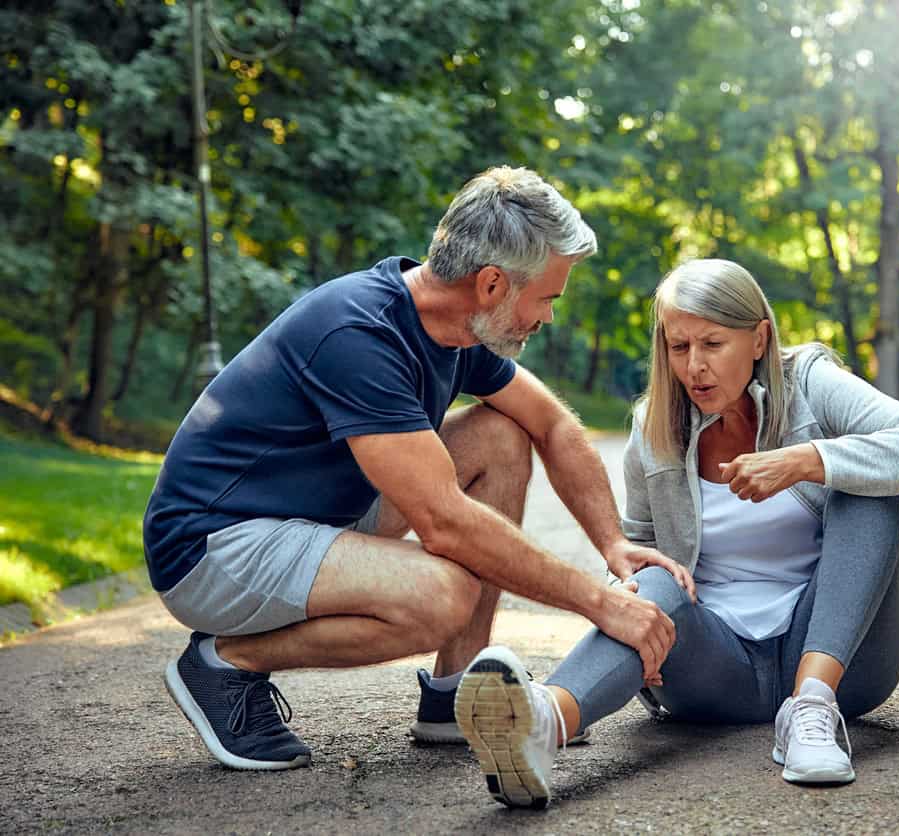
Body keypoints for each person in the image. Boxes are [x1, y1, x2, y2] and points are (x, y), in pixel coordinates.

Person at [143, 166, 693, 771]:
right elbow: (446, 524)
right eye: (547, 298)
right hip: (213, 548)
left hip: (317, 515)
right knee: (440, 596)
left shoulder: (455, 330)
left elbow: (552, 425)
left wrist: (614, 545)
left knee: (501, 435)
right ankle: (224, 661)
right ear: (491, 285)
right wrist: (600, 602)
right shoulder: (359, 334)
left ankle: (455, 693)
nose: (550, 317)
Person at [454, 258, 899, 808]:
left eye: (712, 344)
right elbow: (633, 552)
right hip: (713, 669)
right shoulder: (655, 427)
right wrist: (631, 625)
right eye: (679, 348)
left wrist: (809, 460)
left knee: (870, 480)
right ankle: (547, 721)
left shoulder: (811, 384)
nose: (694, 367)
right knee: (651, 576)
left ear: (758, 339)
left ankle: (811, 710)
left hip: (848, 667)